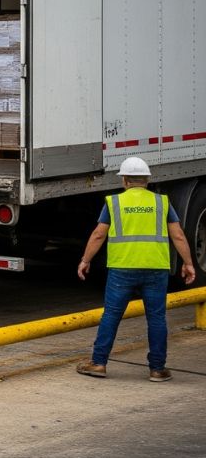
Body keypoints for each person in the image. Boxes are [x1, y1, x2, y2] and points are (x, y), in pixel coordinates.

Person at [76, 156, 196, 381]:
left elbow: (99, 234)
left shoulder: (114, 202)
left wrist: (85, 260)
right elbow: (178, 235)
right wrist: (188, 263)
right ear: (147, 180)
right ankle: (157, 369)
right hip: (155, 268)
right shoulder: (161, 202)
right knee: (157, 318)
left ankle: (99, 363)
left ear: (124, 181)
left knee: (111, 314)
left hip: (122, 268)